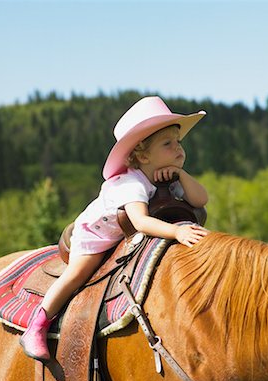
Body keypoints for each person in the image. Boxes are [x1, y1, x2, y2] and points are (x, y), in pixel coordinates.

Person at [20, 96, 209, 361]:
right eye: (168, 144)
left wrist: (182, 176)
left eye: (178, 142)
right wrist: (178, 232)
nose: (178, 149)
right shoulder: (130, 183)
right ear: (142, 155)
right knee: (77, 273)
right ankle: (37, 324)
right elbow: (141, 222)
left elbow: (200, 200)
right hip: (94, 236)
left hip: (123, 235)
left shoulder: (165, 176)